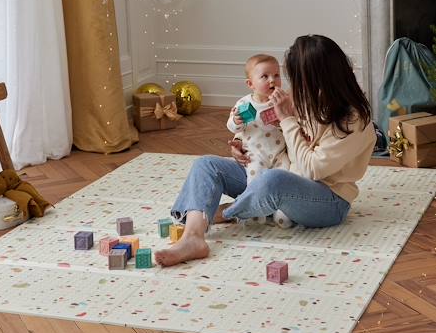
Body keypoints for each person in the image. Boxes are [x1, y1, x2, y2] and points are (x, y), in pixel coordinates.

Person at [155, 35, 377, 268]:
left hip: (327, 200)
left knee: (274, 180)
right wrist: (240, 144)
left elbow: (312, 170)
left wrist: (288, 119)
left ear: (316, 77)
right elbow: (266, 132)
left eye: (297, 77)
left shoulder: (355, 120)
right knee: (207, 164)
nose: (292, 84)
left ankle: (226, 212)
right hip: (279, 175)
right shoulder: (305, 98)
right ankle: (193, 238)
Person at [226, 53, 291, 227]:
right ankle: (255, 211)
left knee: (285, 178)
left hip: (279, 153)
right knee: (254, 180)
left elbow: (292, 124)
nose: (272, 80)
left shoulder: (282, 100)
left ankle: (283, 211)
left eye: (276, 75)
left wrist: (284, 117)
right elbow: (233, 128)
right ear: (250, 84)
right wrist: (235, 121)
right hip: (255, 153)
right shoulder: (243, 104)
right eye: (265, 76)